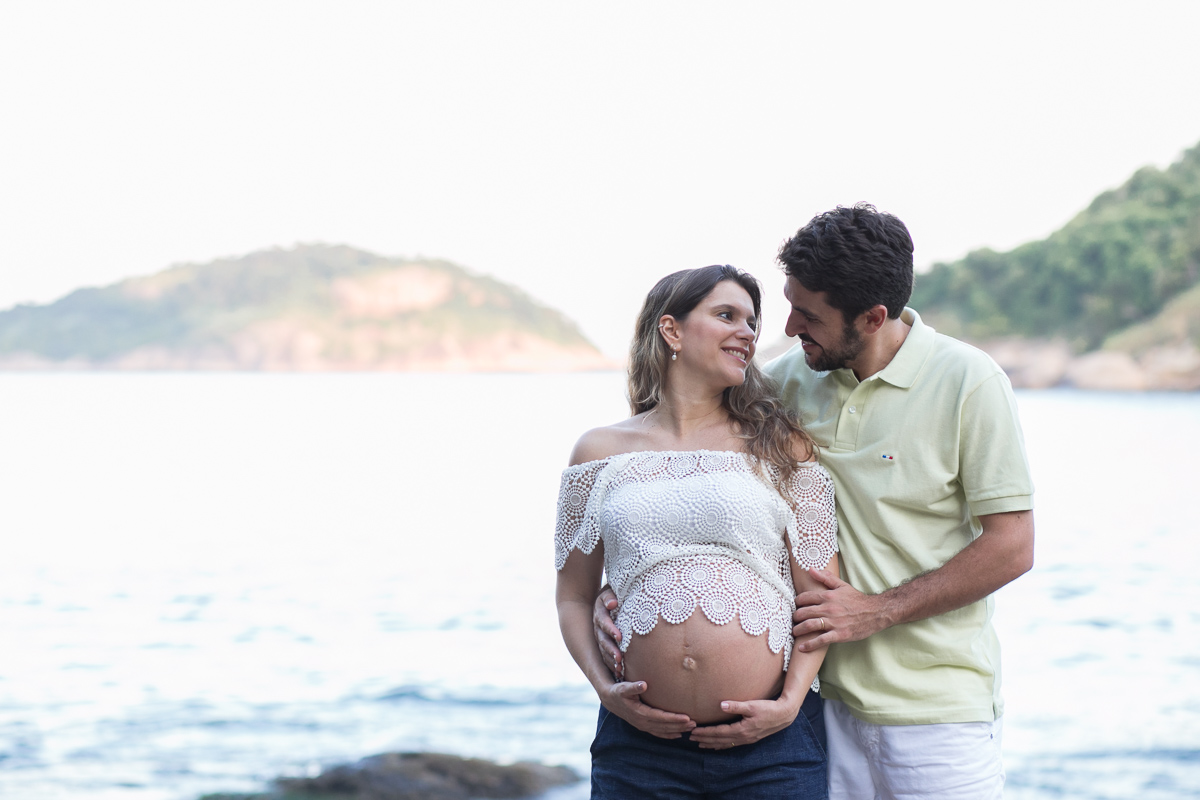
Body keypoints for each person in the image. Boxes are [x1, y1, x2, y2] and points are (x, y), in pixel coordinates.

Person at [595, 205, 1035, 799]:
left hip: (938, 709)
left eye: (809, 314)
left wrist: (875, 610)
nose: (789, 325)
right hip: (821, 707)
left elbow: (1012, 546)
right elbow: (679, 470)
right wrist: (623, 586)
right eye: (789, 303)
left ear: (872, 317)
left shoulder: (969, 381)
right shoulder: (784, 385)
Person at [555, 265, 839, 799]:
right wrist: (606, 691)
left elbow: (818, 595)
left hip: (770, 747)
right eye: (727, 315)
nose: (749, 333)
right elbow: (573, 596)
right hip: (638, 749)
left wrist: (790, 703)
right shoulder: (597, 453)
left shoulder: (782, 447)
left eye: (752, 322)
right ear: (672, 331)